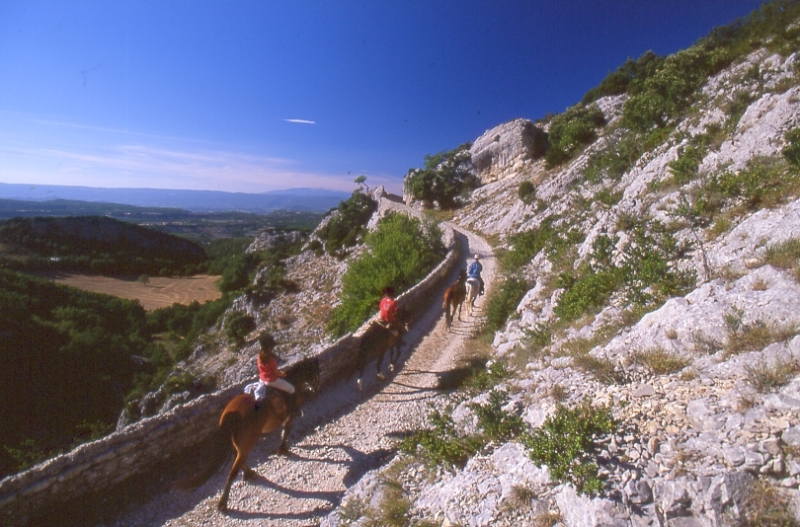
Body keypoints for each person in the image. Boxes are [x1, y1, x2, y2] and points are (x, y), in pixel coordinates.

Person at [244, 332, 297, 413]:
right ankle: (292, 409)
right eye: (272, 347)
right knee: (291, 389)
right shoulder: (271, 360)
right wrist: (282, 374)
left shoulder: (259, 358)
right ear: (269, 348)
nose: (272, 349)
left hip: (262, 380)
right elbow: (275, 372)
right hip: (271, 381)